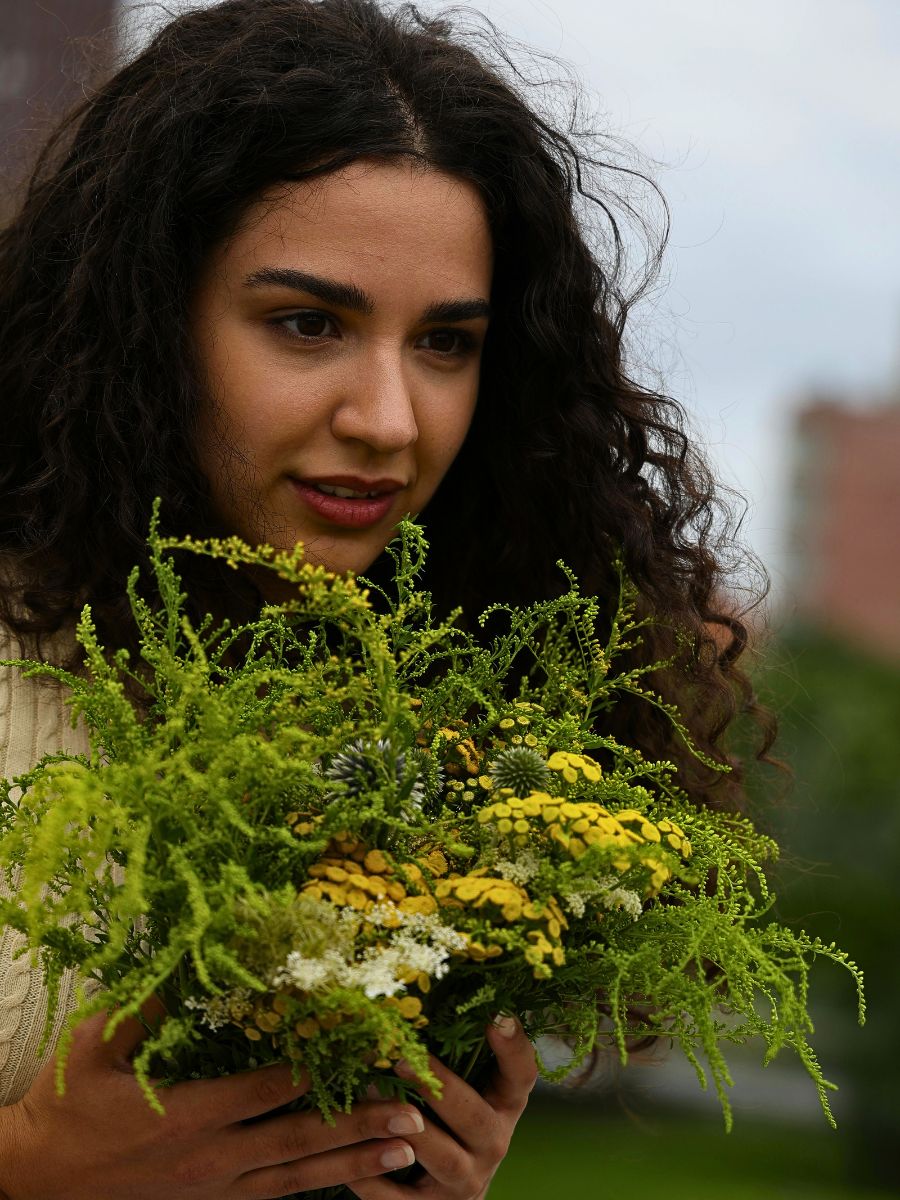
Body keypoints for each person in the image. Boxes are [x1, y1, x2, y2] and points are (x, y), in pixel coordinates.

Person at [0, 0, 772, 1195]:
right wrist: (32, 1164)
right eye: (308, 324)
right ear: (144, 321)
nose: (391, 420)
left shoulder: (450, 736)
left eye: (445, 343)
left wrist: (410, 1169)